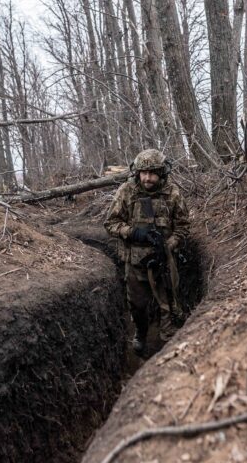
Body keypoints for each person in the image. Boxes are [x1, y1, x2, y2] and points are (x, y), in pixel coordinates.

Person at [104, 149, 190, 357]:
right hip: (135, 263)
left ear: (161, 173)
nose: (147, 178)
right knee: (137, 306)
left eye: (152, 173)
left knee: (169, 305)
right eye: (143, 173)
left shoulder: (173, 193)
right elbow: (111, 223)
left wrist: (169, 245)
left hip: (164, 261)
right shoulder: (127, 191)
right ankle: (141, 334)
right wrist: (134, 232)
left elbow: (183, 227)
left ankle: (169, 348)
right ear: (137, 173)